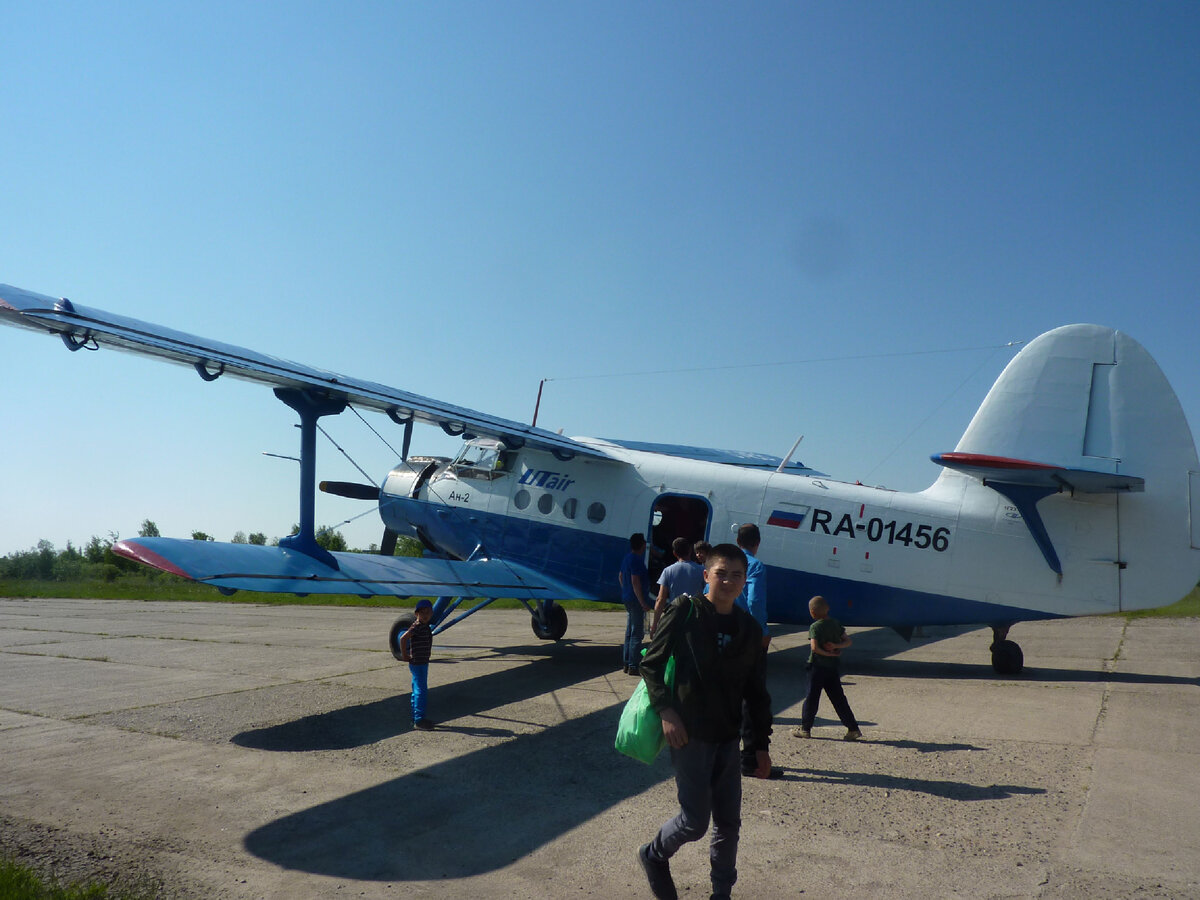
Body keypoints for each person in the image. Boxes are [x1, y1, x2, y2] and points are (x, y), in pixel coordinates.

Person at [637, 543, 773, 900]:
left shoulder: (748, 629)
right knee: (695, 822)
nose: (728, 581)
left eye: (736, 575)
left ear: (745, 580)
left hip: (727, 738)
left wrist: (760, 746)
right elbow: (651, 663)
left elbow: (756, 693)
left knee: (729, 823)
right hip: (690, 735)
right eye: (721, 573)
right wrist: (666, 711)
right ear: (706, 576)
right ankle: (653, 855)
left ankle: (721, 894)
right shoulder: (687, 611)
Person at [734, 523, 777, 778]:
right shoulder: (755, 566)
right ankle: (750, 758)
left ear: (737, 541)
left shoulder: (724, 564)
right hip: (747, 638)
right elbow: (754, 601)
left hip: (724, 636)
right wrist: (761, 631)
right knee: (754, 699)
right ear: (756, 543)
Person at [794, 595, 862, 741]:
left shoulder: (815, 627)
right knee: (839, 699)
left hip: (817, 667)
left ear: (812, 612)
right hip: (832, 668)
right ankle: (853, 728)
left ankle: (805, 729)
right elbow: (848, 641)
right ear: (828, 609)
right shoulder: (836, 624)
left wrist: (825, 653)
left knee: (812, 698)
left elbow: (814, 648)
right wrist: (836, 647)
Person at [650, 537, 705, 637]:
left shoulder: (668, 571)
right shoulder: (702, 571)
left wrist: (655, 624)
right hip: (696, 616)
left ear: (674, 553)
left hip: (675, 616)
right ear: (690, 551)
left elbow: (660, 599)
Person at [399, 599, 436, 731]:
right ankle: (419, 720)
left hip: (423, 662)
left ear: (431, 613)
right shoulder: (416, 626)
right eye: (422, 612)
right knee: (421, 690)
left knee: (417, 689)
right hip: (417, 662)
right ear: (416, 614)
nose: (425, 615)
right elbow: (403, 638)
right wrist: (404, 655)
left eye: (428, 612)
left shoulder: (425, 626)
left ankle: (416, 717)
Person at [618, 533, 652, 675]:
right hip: (635, 599)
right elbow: (635, 581)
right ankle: (633, 664)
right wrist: (642, 601)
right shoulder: (637, 560)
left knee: (629, 631)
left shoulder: (627, 558)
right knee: (637, 633)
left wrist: (625, 590)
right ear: (642, 545)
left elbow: (620, 576)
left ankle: (626, 662)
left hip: (627, 597)